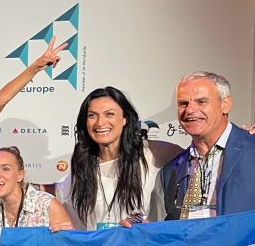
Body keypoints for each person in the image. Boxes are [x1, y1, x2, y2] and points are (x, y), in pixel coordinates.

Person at [152, 72, 255, 220]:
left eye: (201, 101)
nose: (189, 110)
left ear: (225, 105)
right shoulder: (170, 171)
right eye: (183, 103)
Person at [54, 87, 183, 230]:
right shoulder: (82, 161)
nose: (100, 123)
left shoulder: (155, 153)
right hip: (99, 243)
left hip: (144, 243)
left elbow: (193, 164)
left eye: (109, 114)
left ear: (125, 119)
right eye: (92, 115)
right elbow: (61, 193)